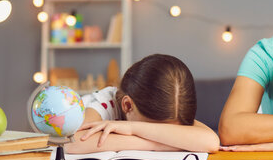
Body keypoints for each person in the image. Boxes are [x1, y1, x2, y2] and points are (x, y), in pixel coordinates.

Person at [65, 54, 220, 154]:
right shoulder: (104, 104)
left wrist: (132, 128)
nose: (163, 134)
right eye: (156, 127)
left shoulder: (174, 110)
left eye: (169, 130)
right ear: (127, 106)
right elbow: (71, 143)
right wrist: (160, 143)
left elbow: (211, 141)